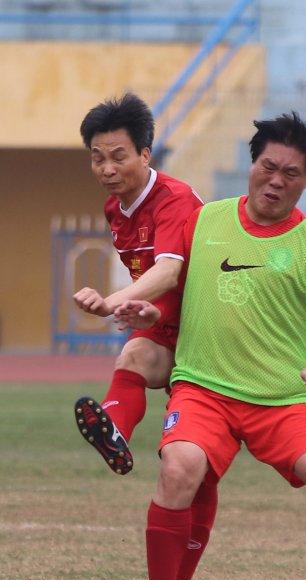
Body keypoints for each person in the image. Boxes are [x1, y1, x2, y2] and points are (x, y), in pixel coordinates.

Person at [104, 112, 306, 580]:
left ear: (305, 182)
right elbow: (174, 289)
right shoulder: (204, 221)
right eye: (269, 166)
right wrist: (150, 314)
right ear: (252, 164)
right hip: (203, 388)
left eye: (291, 173)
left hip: (281, 397)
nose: (276, 180)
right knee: (180, 469)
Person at [72, 93, 204, 476]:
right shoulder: (114, 208)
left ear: (145, 155)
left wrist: (111, 303)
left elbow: (168, 272)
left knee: (190, 457)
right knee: (131, 357)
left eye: (118, 157)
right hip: (164, 324)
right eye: (98, 158)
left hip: (205, 332)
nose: (107, 169)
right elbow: (149, 278)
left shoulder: (174, 199)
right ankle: (114, 432)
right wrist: (146, 311)